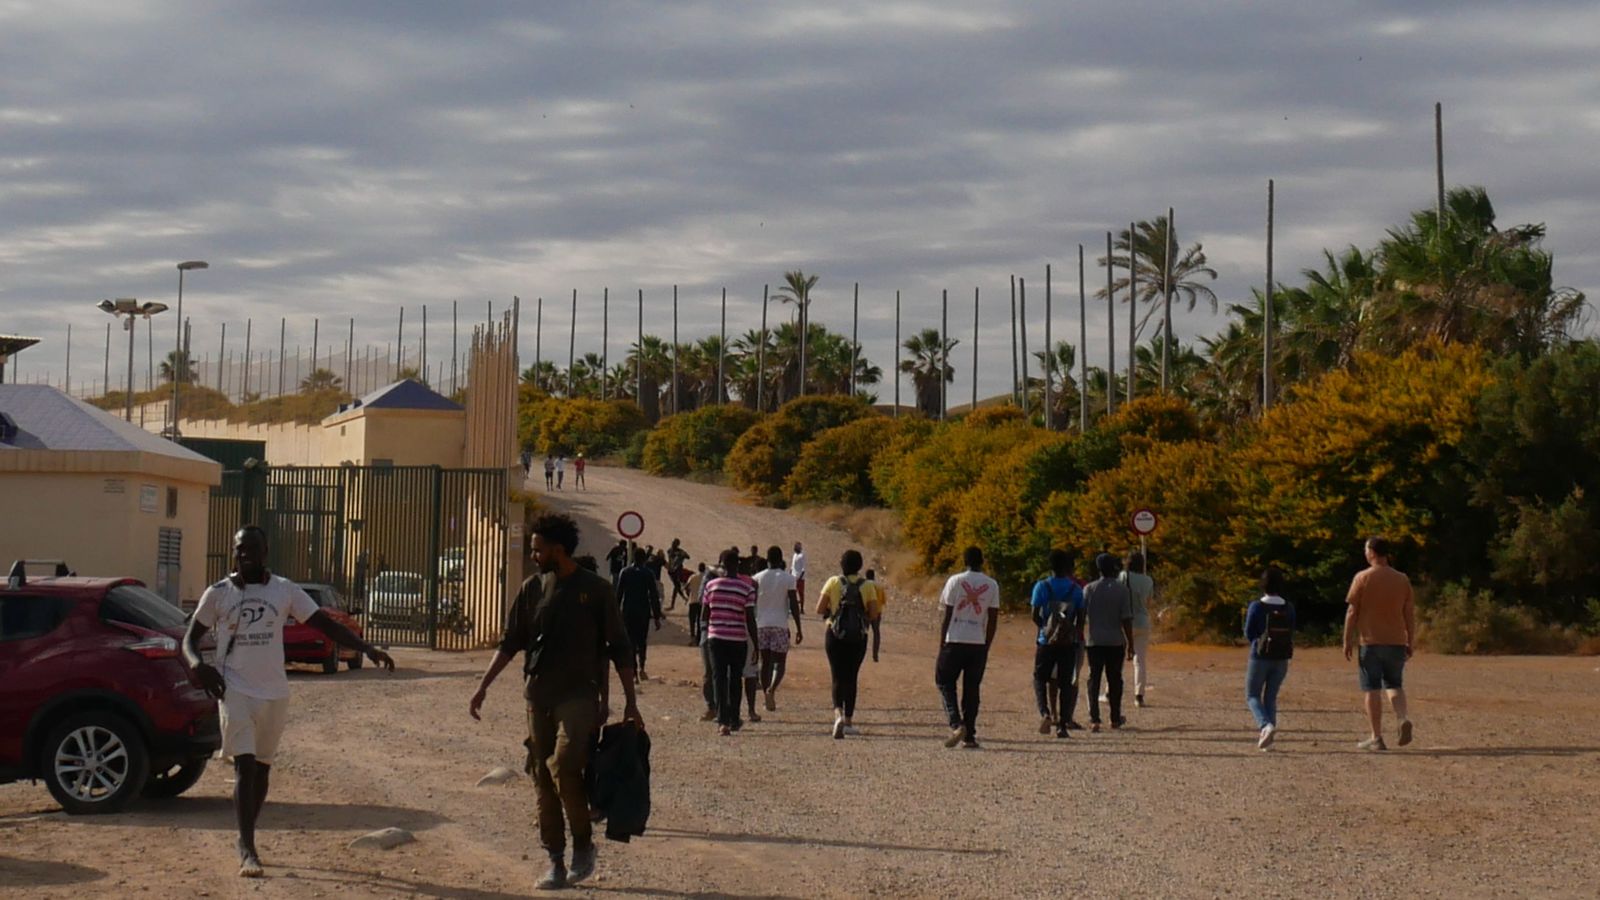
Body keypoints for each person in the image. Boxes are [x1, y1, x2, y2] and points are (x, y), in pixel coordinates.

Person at [182, 526, 396, 878]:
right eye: (239, 549)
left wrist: (367, 648)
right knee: (244, 765)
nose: (244, 555)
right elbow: (189, 639)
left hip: (274, 692)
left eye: (251, 549)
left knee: (262, 768)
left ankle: (247, 833)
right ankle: (247, 847)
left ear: (265, 552)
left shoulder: (284, 590)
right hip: (234, 689)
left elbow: (325, 625)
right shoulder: (218, 593)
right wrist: (196, 665)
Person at [469, 512, 641, 891]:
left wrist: (630, 701)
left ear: (558, 549)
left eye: (538, 549)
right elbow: (511, 642)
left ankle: (583, 845)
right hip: (538, 696)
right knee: (542, 777)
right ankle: (555, 859)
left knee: (563, 766)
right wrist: (483, 687)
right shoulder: (532, 589)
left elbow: (619, 647)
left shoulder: (596, 590)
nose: (533, 556)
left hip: (578, 695)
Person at [1343, 536, 1417, 751]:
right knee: (1394, 684)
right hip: (1396, 641)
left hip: (1370, 642)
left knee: (1372, 689)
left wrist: (1347, 639)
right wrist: (1410, 640)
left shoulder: (1362, 577)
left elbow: (1352, 611)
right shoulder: (1402, 579)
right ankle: (1402, 717)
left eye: (1366, 550)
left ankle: (1376, 737)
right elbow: (1409, 613)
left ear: (1372, 552)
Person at [815, 549, 885, 739]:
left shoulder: (833, 582)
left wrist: (832, 612)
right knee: (851, 677)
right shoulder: (868, 586)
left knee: (836, 676)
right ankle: (848, 721)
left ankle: (837, 714)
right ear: (859, 566)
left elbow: (819, 608)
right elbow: (873, 614)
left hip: (834, 635)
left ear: (842, 565)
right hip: (858, 638)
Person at [935, 547, 1001, 749]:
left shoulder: (955, 581)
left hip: (954, 639)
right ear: (982, 561)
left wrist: (942, 642)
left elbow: (947, 614)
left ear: (964, 561)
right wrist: (986, 645)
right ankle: (969, 735)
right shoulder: (991, 584)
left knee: (944, 681)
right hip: (977, 642)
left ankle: (956, 723)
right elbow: (992, 619)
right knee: (972, 689)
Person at [702, 549, 758, 736]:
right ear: (738, 565)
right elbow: (750, 619)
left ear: (722, 565)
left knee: (719, 678)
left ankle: (722, 722)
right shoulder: (746, 588)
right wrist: (756, 645)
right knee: (735, 679)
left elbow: (704, 615)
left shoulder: (711, 586)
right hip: (737, 639)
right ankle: (734, 719)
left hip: (716, 638)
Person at [1031, 549, 1085, 739]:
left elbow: (1034, 615)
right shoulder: (1076, 590)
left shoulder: (1042, 586)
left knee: (1040, 678)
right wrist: (1071, 634)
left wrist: (1046, 629)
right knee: (1065, 683)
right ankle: (1063, 724)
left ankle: (1045, 712)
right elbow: (1081, 618)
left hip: (1046, 642)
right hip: (1068, 643)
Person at [1245, 566, 1296, 751]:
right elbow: (1292, 629)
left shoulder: (1257, 606)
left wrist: (1257, 643)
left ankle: (1265, 725)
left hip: (1259, 656)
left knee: (1252, 695)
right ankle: (1268, 741)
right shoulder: (1288, 607)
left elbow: (1248, 632)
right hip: (1281, 657)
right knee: (1270, 697)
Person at [1082, 553, 1134, 733]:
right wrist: (1131, 643)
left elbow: (1082, 615)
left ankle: (1094, 718)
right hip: (1115, 641)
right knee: (1115, 679)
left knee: (1094, 678)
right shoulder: (1122, 590)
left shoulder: (1089, 589)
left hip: (1094, 640)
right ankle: (1115, 718)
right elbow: (1126, 619)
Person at [752, 546, 803, 712]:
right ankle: (771, 690)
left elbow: (751, 603)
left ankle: (765, 696)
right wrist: (799, 628)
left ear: (767, 559)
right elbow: (794, 604)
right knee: (780, 662)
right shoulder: (789, 579)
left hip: (761, 624)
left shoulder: (756, 578)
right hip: (780, 625)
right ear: (781, 560)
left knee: (765, 662)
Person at [615, 547, 664, 683]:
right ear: (644, 559)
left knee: (630, 641)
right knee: (642, 641)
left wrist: (615, 614)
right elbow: (653, 596)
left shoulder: (625, 572)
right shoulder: (648, 573)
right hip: (643, 612)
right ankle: (642, 668)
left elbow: (618, 595)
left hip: (628, 611)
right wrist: (657, 616)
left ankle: (634, 671)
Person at [1121, 552, 1155, 708]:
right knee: (1140, 661)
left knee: (1117, 659)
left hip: (1124, 621)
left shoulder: (1123, 576)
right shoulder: (1148, 580)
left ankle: (1109, 692)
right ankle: (1139, 696)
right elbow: (1148, 602)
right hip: (1142, 621)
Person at [685, 562, 708, 646]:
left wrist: (689, 594)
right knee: (699, 621)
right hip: (702, 602)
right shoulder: (706, 578)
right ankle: (699, 639)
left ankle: (692, 638)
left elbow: (686, 587)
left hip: (693, 601)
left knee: (692, 621)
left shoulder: (693, 577)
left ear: (698, 568)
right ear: (704, 569)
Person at [790, 542, 807, 609]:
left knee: (801, 593)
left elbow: (803, 569)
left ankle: (801, 608)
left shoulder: (802, 556)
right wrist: (790, 574)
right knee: (793, 593)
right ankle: (792, 607)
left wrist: (800, 578)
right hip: (793, 577)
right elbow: (792, 566)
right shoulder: (794, 555)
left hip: (800, 578)